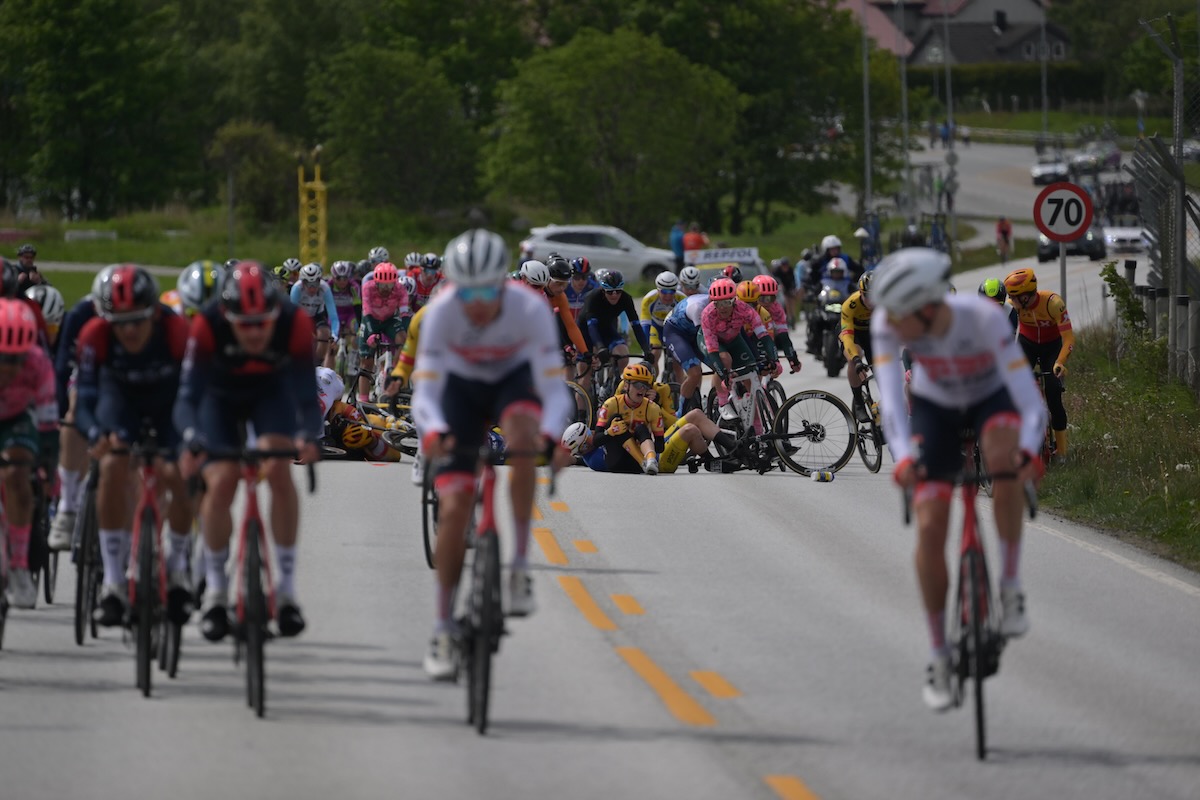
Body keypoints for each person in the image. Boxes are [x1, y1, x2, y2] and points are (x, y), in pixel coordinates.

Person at [869, 248, 1046, 712]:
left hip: (992, 398)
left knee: (1003, 456)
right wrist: (904, 458)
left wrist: (1029, 451)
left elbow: (1029, 401)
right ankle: (940, 658)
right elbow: (890, 404)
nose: (888, 322)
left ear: (927, 306)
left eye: (897, 312)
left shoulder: (982, 320)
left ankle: (1009, 587)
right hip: (935, 408)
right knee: (930, 525)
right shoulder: (889, 326)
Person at [410, 228, 574, 680]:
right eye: (468, 290)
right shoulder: (443, 310)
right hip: (459, 391)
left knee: (523, 439)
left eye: (487, 289)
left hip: (510, 383)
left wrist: (551, 435)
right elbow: (424, 392)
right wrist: (435, 432)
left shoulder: (529, 307)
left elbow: (553, 387)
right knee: (456, 503)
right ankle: (443, 628)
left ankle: (519, 567)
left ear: (503, 283)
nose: (477, 300)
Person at [174, 261, 322, 642]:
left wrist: (308, 434)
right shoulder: (209, 324)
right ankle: (217, 592)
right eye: (246, 325)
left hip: (269, 396)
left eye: (263, 324)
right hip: (218, 400)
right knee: (221, 480)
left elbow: (306, 393)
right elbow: (187, 396)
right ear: (227, 315)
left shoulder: (294, 322)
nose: (255, 334)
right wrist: (191, 437)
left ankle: (286, 589)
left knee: (277, 469)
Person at [75, 265, 195, 626]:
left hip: (170, 402)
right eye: (119, 322)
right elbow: (86, 397)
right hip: (120, 399)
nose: (128, 330)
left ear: (154, 314)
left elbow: (195, 393)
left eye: (137, 321)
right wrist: (96, 433)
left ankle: (176, 567)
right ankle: (113, 581)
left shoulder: (176, 330)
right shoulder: (95, 334)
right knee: (112, 465)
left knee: (180, 473)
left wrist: (192, 438)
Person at [0, 299, 58, 609]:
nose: (8, 369)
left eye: (15, 360)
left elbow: (49, 423)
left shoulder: (38, 363)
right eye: (1, 359)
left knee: (18, 475)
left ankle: (20, 565)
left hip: (17, 419)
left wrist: (47, 466)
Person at [1004, 268, 1073, 462]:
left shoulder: (1053, 303)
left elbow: (1068, 338)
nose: (1011, 300)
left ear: (1025, 296)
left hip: (1052, 347)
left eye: (1014, 296)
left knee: (1053, 393)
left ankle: (1062, 451)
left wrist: (1060, 362)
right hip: (1027, 345)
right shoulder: (1014, 306)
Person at [577, 269, 653, 376]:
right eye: (609, 291)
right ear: (603, 290)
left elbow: (636, 325)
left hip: (607, 329)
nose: (614, 295)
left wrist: (646, 349)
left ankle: (611, 384)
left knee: (623, 355)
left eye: (618, 291)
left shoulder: (626, 299)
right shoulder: (593, 297)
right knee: (586, 376)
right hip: (586, 330)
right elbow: (592, 327)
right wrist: (600, 347)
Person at [356, 262, 410, 404]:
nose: (386, 289)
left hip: (389, 320)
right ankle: (364, 400)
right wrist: (371, 334)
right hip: (370, 320)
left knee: (403, 338)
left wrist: (405, 332)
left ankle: (396, 370)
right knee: (366, 362)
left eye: (389, 285)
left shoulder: (400, 289)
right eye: (382, 285)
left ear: (395, 283)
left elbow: (404, 315)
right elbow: (366, 311)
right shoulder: (368, 287)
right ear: (376, 282)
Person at [840, 271, 876, 423]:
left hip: (871, 332)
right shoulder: (850, 304)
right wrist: (855, 359)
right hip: (852, 333)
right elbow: (847, 336)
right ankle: (859, 402)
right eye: (868, 296)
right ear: (861, 292)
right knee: (855, 357)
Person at [290, 263, 339, 367]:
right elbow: (291, 315)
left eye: (315, 284)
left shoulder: (325, 288)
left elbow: (333, 317)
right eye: (309, 284)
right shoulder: (296, 288)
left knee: (324, 334)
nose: (312, 289)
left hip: (317, 315)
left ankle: (317, 365)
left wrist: (334, 335)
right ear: (302, 283)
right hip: (301, 316)